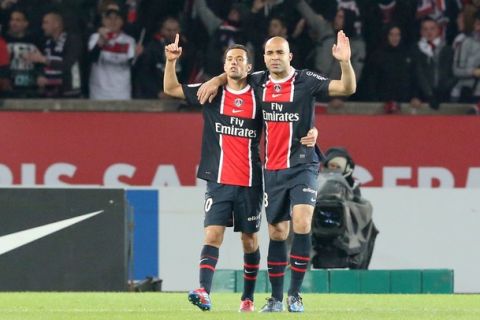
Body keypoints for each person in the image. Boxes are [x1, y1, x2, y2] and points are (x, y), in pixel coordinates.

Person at [197, 31, 355, 312]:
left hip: (303, 164)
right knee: (278, 232)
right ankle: (276, 298)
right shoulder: (258, 81)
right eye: (270, 53)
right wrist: (215, 78)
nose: (274, 58)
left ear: (289, 56)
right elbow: (234, 76)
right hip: (272, 168)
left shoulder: (306, 81)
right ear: (264, 58)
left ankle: (295, 295)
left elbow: (347, 88)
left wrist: (345, 62)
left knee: (303, 222)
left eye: (280, 53)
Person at [164, 34, 318, 312]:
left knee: (250, 240)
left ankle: (247, 297)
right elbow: (172, 89)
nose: (233, 63)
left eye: (239, 60)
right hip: (219, 180)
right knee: (212, 235)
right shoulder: (212, 93)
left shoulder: (259, 94)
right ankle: (204, 290)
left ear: (250, 68)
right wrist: (171, 62)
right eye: (229, 60)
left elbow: (286, 117)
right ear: (223, 65)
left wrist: (313, 131)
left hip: (251, 181)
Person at [25, 10, 82, 97]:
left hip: (69, 92)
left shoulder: (72, 40)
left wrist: (43, 59)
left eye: (46, 23)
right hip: (50, 92)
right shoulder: (47, 42)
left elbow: (67, 64)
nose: (43, 26)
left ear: (56, 24)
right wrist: (40, 76)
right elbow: (42, 65)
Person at [88, 6, 138, 100]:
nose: (113, 21)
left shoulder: (129, 41)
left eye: (117, 18)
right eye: (109, 18)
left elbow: (133, 65)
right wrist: (101, 42)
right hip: (98, 92)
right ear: (103, 21)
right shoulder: (95, 37)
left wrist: (138, 55)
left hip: (122, 92)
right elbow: (91, 59)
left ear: (122, 21)